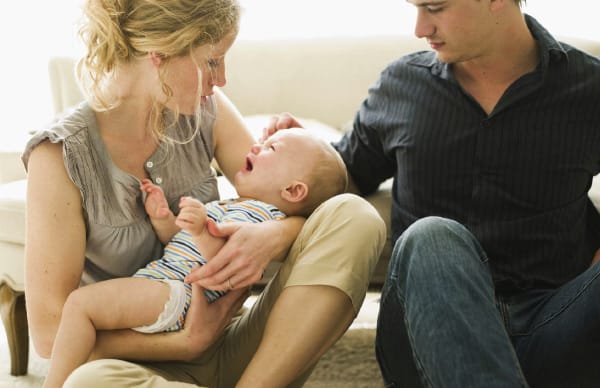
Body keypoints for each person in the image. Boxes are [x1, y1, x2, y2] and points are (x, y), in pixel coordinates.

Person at [22, 0, 386, 387]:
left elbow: (286, 199)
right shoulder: (60, 156)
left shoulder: (207, 109)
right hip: (136, 366)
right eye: (213, 61)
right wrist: (187, 343)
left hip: (240, 356)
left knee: (354, 214)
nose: (222, 79)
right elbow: (50, 337)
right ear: (159, 52)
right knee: (89, 383)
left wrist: (274, 234)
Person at [264, 1, 600, 387]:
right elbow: (345, 178)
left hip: (552, 325)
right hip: (424, 328)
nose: (421, 28)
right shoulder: (401, 84)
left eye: (435, 7)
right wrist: (301, 153)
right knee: (432, 235)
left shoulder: (590, 88)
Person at [41, 128, 348, 388]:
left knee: (80, 305)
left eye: (271, 148)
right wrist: (165, 219)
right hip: (169, 289)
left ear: (293, 190)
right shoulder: (236, 205)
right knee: (90, 338)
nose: (257, 145)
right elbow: (181, 245)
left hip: (178, 293)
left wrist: (202, 229)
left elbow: (221, 265)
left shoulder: (262, 216)